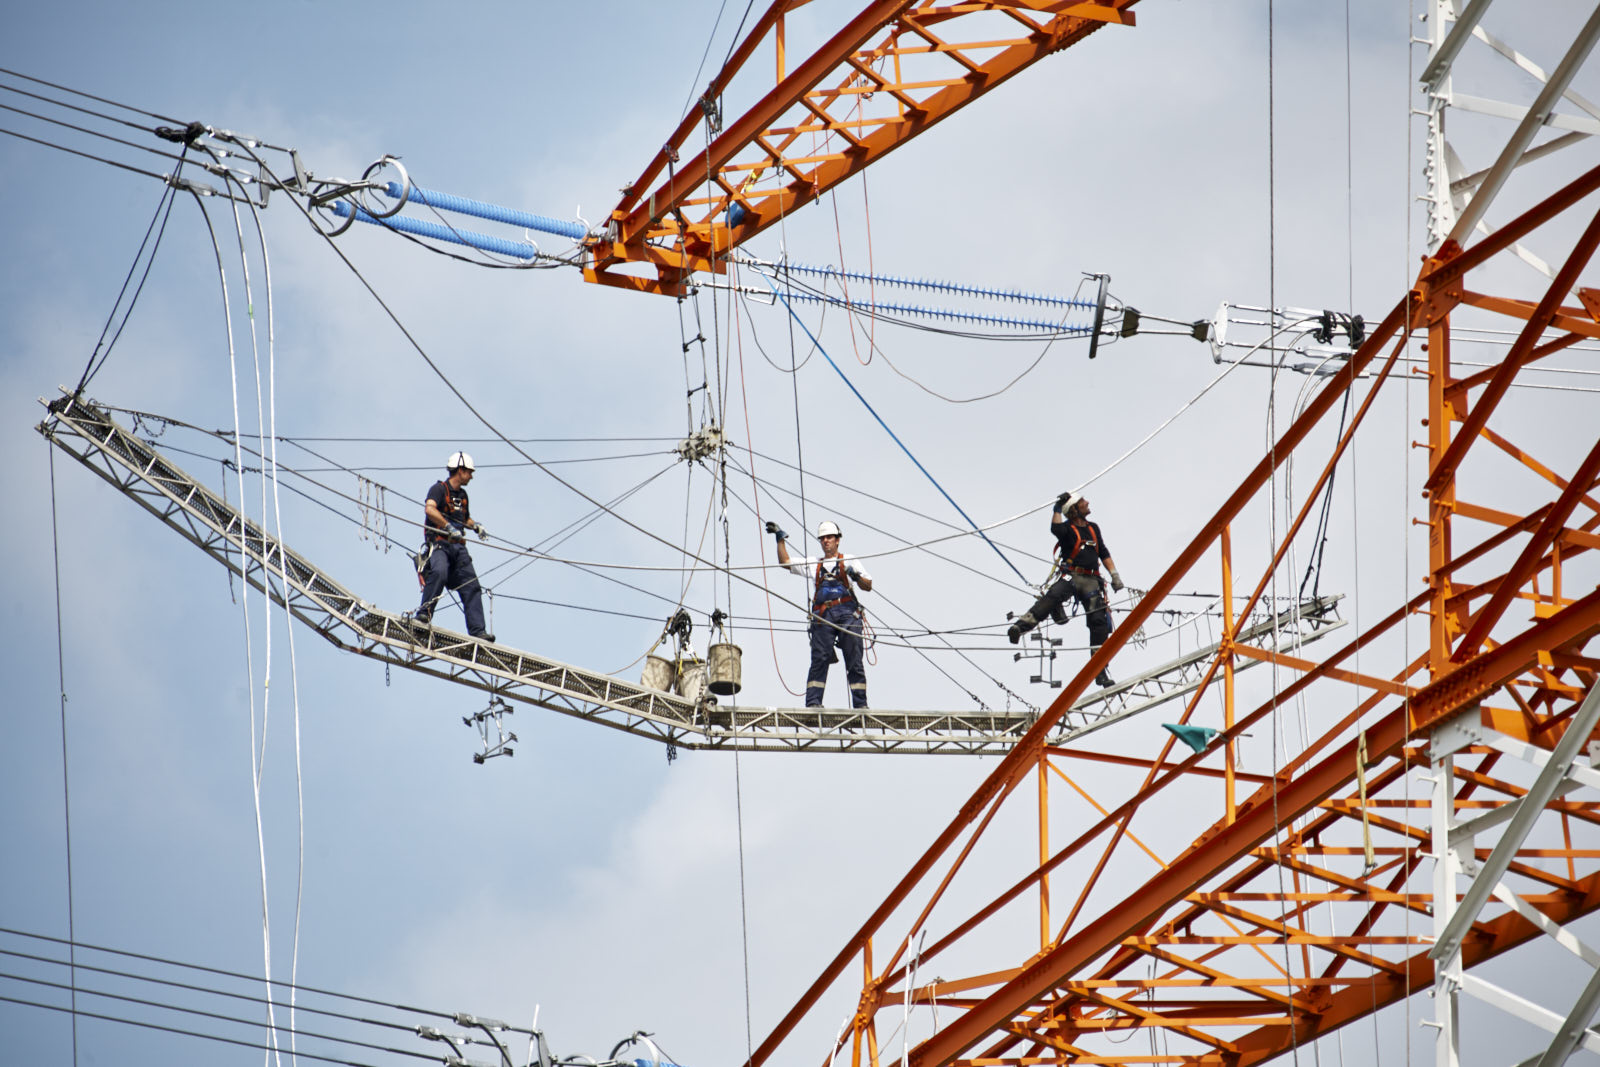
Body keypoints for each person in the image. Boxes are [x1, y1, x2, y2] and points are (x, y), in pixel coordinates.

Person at [1007, 491, 1125, 687]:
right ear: (1074, 510)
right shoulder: (1068, 528)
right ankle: (1019, 627)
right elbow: (1056, 528)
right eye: (1082, 502)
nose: (1087, 502)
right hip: (1072, 576)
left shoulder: (1093, 528)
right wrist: (1056, 509)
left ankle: (1100, 670)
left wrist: (1114, 575)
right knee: (1052, 596)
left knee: (1098, 621)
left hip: (1091, 580)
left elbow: (1102, 552)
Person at [770, 519, 873, 709]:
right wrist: (780, 539)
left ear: (837, 540)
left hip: (848, 613)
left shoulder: (848, 560)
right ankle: (813, 703)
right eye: (823, 538)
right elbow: (785, 562)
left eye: (830, 537)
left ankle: (860, 705)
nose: (826, 541)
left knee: (854, 659)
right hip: (824, 615)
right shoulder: (814, 564)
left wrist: (855, 576)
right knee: (819, 659)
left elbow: (868, 586)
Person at [416, 451, 494, 642]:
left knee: (472, 585)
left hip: (458, 548)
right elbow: (430, 509)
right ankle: (423, 614)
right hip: (440, 543)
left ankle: (477, 632)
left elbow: (463, 518)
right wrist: (447, 527)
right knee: (440, 572)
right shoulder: (439, 489)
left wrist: (475, 526)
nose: (471, 476)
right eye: (469, 472)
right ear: (460, 470)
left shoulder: (462, 495)